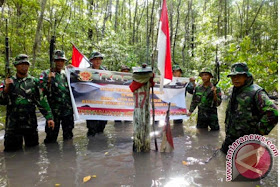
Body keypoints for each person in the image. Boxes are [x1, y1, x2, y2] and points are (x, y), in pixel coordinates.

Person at [0, 54, 54, 151]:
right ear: (16, 66)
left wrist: (49, 117)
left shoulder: (34, 82)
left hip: (30, 124)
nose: (24, 66)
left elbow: (41, 101)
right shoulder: (8, 82)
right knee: (12, 155)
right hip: (13, 126)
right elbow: (2, 101)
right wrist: (6, 89)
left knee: (33, 153)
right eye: (21, 64)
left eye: (26, 64)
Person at [221, 62, 278, 154]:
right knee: (224, 160)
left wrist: (259, 131)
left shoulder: (256, 92)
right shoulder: (235, 90)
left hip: (247, 142)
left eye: (239, 76)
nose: (235, 79)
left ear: (246, 76)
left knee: (245, 165)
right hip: (231, 138)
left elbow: (273, 112)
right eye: (233, 77)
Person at [40, 50, 74, 143]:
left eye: (62, 61)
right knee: (51, 138)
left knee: (68, 137)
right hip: (54, 112)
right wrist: (49, 80)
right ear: (54, 61)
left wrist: (74, 70)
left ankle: (69, 157)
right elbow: (41, 92)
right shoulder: (46, 74)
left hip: (67, 111)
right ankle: (52, 157)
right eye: (57, 61)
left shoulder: (66, 74)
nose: (60, 63)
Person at [86, 51, 107, 136]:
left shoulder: (105, 71)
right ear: (91, 60)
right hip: (91, 103)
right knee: (92, 127)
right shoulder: (86, 71)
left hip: (103, 102)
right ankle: (91, 146)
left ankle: (101, 147)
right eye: (95, 59)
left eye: (99, 59)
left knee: (102, 126)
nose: (98, 61)